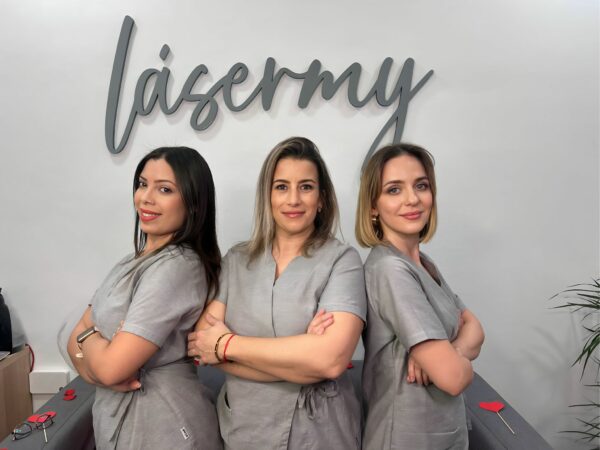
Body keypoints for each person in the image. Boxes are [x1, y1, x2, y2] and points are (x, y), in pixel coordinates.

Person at [187, 137, 366, 450]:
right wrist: (304, 361)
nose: (293, 199)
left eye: (306, 187)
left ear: (322, 199)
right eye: (282, 187)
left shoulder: (343, 261)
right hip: (246, 431)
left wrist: (227, 344)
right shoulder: (236, 260)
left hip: (319, 435)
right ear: (267, 196)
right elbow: (202, 345)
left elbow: (331, 360)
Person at [65, 147, 223, 450]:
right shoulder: (130, 262)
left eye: (164, 189)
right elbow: (83, 345)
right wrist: (99, 354)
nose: (146, 198)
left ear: (193, 203)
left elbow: (108, 365)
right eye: (142, 184)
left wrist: (90, 339)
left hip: (165, 427)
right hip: (121, 421)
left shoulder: (177, 267)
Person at [356, 143, 485, 450]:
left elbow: (475, 328)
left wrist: (452, 351)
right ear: (373, 206)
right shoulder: (390, 269)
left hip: (441, 433)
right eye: (394, 190)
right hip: (406, 438)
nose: (412, 199)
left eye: (421, 185)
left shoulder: (424, 264)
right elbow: (453, 378)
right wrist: (453, 361)